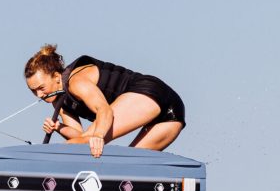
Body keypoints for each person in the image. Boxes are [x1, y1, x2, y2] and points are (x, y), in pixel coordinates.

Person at [24, 45, 185, 158]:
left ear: (57, 76)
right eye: (33, 91)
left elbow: (104, 111)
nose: (39, 94)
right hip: (173, 114)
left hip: (150, 92)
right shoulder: (58, 102)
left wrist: (98, 135)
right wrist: (59, 127)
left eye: (41, 87)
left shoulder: (76, 82)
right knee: (129, 165)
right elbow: (79, 136)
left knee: (85, 143)